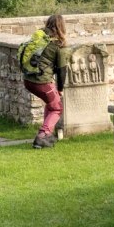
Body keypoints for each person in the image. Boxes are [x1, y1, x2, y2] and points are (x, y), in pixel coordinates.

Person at [22, 14, 68, 149]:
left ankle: (47, 134)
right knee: (57, 107)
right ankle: (42, 136)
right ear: (62, 26)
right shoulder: (59, 44)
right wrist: (60, 88)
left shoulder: (39, 37)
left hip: (28, 79)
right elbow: (62, 70)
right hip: (42, 82)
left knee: (51, 104)